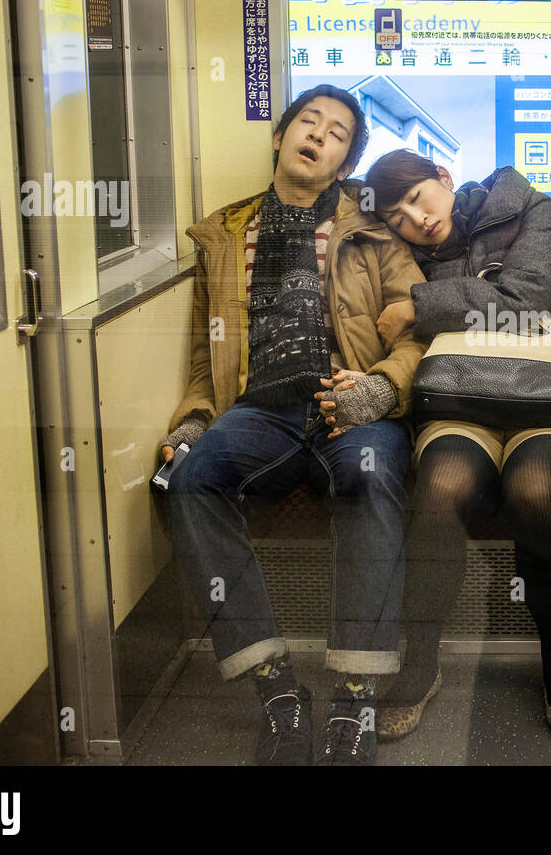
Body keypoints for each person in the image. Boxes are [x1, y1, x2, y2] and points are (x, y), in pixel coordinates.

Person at [159, 85, 427, 765]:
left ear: (343, 166)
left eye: (337, 133)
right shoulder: (222, 236)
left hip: (354, 403)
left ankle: (356, 697)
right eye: (308, 122)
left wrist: (379, 389)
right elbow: (202, 354)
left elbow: (419, 335)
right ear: (279, 137)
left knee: (371, 481)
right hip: (260, 409)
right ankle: (277, 690)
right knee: (188, 482)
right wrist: (193, 421)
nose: (319, 135)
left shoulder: (374, 232)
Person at [364, 150, 551, 740]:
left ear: (445, 179)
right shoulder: (396, 253)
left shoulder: (526, 207)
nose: (417, 219)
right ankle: (421, 659)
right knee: (442, 488)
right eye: (398, 215)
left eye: (419, 197)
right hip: (459, 401)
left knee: (535, 488)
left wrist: (419, 307)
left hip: (549, 393)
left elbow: (525, 302)